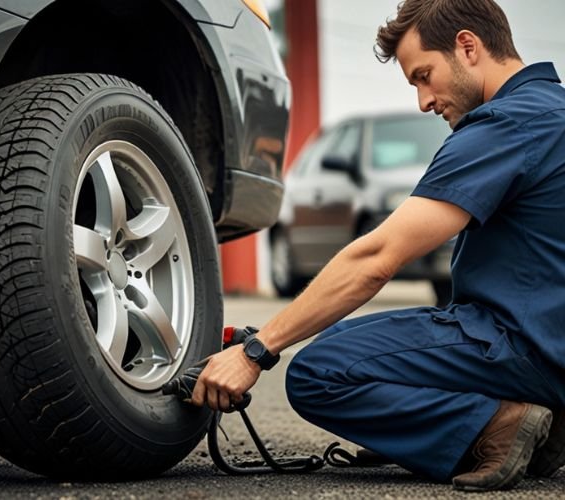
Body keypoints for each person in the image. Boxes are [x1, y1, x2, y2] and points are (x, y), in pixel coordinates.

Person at [190, 0, 565, 491]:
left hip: (521, 346)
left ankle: (499, 425)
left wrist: (256, 351)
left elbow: (374, 260)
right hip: (548, 345)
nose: (424, 101)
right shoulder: (552, 111)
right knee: (363, 344)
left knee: (318, 371)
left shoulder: (504, 126)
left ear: (468, 46)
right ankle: (493, 427)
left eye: (424, 76)